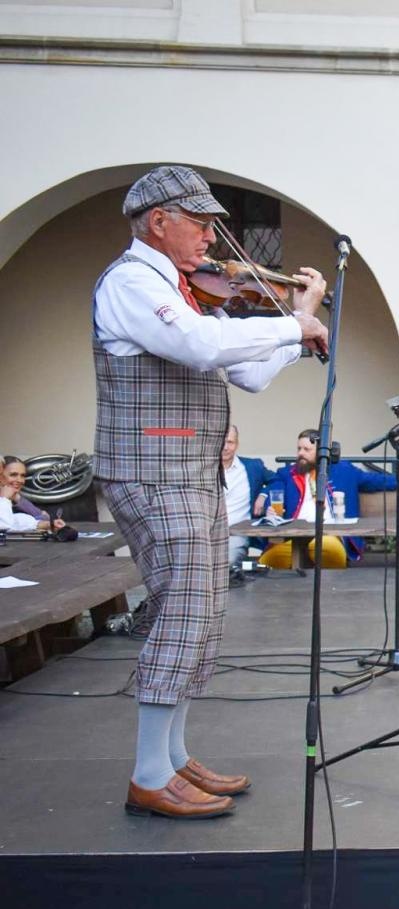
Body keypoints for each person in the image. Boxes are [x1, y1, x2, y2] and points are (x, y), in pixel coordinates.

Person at [95, 165, 327, 818]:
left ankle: (170, 757)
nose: (210, 235)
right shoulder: (134, 283)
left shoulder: (177, 288)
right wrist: (290, 326)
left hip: (186, 469)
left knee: (200, 610)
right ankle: (148, 773)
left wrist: (300, 324)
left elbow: (245, 373)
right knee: (183, 611)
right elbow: (199, 347)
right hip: (151, 466)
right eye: (199, 222)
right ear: (158, 222)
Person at [257, 429, 399, 569]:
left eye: (306, 450)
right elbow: (274, 489)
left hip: (331, 534)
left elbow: (378, 480)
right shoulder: (286, 474)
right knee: (269, 559)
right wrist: (267, 505)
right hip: (294, 536)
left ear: (323, 451)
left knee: (325, 549)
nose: (300, 453)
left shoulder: (345, 471)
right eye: (299, 448)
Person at [219, 427, 270, 565]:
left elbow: (277, 479)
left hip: (236, 534)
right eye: (221, 442)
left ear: (237, 444)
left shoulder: (252, 466)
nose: (225, 447)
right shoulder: (203, 468)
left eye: (230, 442)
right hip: (204, 535)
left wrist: (263, 495)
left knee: (226, 563)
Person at [0, 456, 64, 532]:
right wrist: (4, 499)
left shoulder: (13, 498)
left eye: (23, 475)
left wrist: (18, 499)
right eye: (13, 475)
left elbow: (44, 518)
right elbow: (4, 526)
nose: (20, 480)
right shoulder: (4, 500)